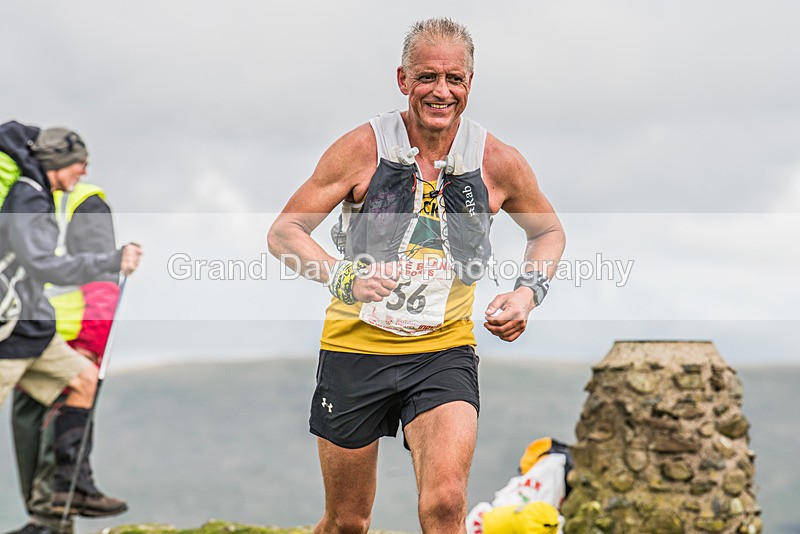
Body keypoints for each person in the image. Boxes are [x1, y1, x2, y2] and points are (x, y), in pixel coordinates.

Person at [268, 18, 565, 534]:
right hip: (354, 350)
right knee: (347, 523)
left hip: (442, 351)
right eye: (427, 77)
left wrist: (527, 293)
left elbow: (548, 233)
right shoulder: (362, 149)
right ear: (403, 80)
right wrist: (343, 278)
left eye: (455, 79)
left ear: (470, 84)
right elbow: (284, 232)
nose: (441, 91)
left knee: (445, 504)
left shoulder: (497, 161)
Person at [0, 122, 142, 533]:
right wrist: (111, 261)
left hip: (38, 330)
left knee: (83, 382)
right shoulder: (28, 196)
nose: (84, 169)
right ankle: (52, 512)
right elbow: (41, 263)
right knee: (34, 427)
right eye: (80, 162)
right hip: (12, 331)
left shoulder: (43, 195)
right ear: (59, 162)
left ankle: (69, 489)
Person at [9, 181, 125, 534]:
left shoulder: (82, 200)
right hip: (23, 331)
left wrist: (92, 337)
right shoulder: (25, 195)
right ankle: (41, 519)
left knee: (53, 428)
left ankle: (51, 522)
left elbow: (102, 276)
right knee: (27, 428)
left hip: (70, 336)